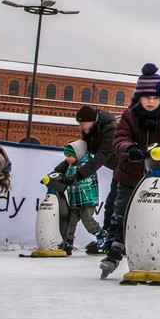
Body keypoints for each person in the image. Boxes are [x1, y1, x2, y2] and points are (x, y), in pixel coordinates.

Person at [98, 64, 160, 279]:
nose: (151, 101)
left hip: (158, 175)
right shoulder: (129, 116)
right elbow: (120, 138)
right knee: (121, 213)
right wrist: (129, 149)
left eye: (155, 97)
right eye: (146, 97)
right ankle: (113, 253)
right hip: (130, 175)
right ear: (138, 98)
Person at [55, 105, 118, 255]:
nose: (80, 126)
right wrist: (61, 169)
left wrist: (79, 175)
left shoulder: (110, 129)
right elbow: (81, 152)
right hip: (115, 167)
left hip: (124, 167)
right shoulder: (89, 130)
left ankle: (108, 241)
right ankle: (106, 239)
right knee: (111, 204)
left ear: (92, 121)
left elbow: (101, 156)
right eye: (79, 123)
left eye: (82, 123)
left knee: (113, 203)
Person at [59, 139, 101, 255]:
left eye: (69, 156)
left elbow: (87, 181)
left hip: (87, 200)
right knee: (71, 222)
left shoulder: (86, 165)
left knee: (87, 221)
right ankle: (67, 242)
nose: (67, 158)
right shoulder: (70, 166)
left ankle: (102, 237)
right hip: (74, 201)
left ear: (78, 154)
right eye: (66, 155)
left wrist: (72, 180)